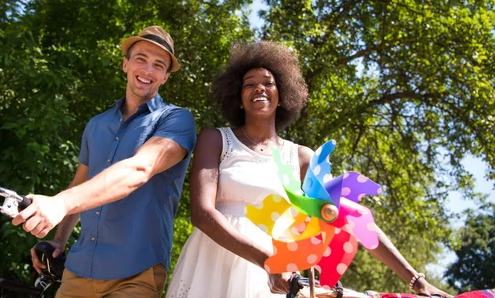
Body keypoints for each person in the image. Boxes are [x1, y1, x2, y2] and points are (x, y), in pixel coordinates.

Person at [166, 41, 451, 298]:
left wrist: (415, 280)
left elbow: (347, 217)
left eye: (268, 82)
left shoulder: (302, 157)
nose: (259, 88)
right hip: (212, 262)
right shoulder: (215, 138)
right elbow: (202, 215)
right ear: (238, 97)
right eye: (248, 84)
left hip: (275, 274)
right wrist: (266, 259)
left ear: (282, 93)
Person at [12, 26, 197, 298]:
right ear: (125, 64)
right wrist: (59, 240)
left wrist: (60, 202)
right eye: (141, 59)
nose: (148, 70)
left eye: (159, 65)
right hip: (79, 268)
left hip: (137, 271)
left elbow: (139, 169)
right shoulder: (96, 125)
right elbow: (80, 183)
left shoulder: (176, 120)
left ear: (166, 77)